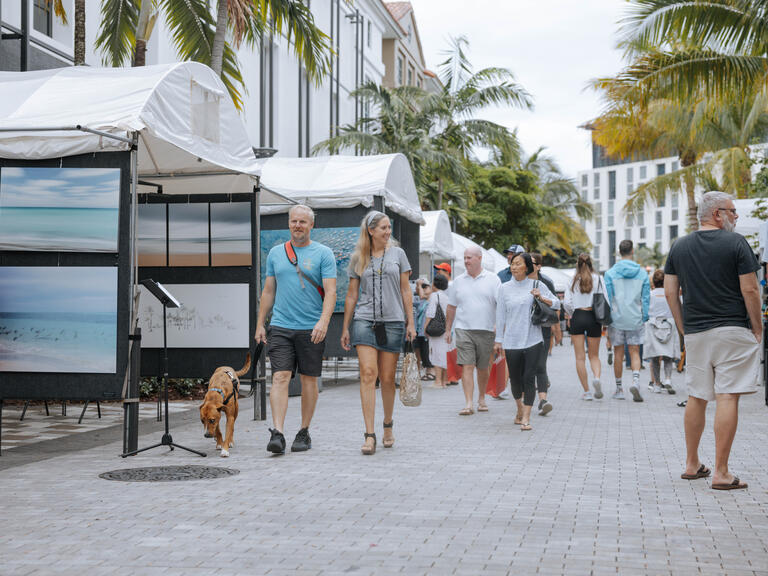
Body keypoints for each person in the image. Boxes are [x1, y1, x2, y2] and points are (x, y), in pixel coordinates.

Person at [665, 191, 761, 490]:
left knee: (697, 396)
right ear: (717, 213)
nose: (736, 217)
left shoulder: (679, 246)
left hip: (696, 331)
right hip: (732, 328)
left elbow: (671, 291)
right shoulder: (736, 243)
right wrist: (758, 328)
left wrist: (684, 329)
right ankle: (721, 472)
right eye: (732, 211)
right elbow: (751, 291)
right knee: (728, 395)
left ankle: (692, 464)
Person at [255, 205, 337, 455]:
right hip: (280, 325)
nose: (298, 225)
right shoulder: (276, 254)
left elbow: (331, 292)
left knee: (309, 379)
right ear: (288, 223)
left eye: (303, 221)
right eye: (294, 221)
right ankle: (278, 433)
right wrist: (260, 322)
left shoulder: (324, 253)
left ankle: (303, 430)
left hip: (311, 328)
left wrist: (323, 322)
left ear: (311, 225)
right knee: (279, 376)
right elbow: (269, 291)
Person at [341, 210, 416, 455]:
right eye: (383, 227)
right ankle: (369, 434)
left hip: (393, 321)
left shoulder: (399, 255)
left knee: (386, 378)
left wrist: (410, 323)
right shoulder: (358, 257)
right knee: (367, 373)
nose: (388, 231)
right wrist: (345, 326)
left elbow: (406, 291)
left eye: (388, 227)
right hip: (364, 320)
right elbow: (352, 294)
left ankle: (387, 424)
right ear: (371, 231)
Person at [494, 252, 559, 431]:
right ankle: (520, 409)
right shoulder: (504, 288)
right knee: (515, 380)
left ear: (527, 267)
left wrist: (541, 297)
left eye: (517, 263)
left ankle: (526, 418)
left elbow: (557, 304)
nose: (514, 267)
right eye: (512, 264)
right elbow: (500, 317)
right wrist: (498, 340)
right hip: (511, 341)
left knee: (529, 378)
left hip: (533, 339)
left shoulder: (537, 284)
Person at [445, 247, 501, 415]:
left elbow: (501, 306)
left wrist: (499, 326)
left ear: (479, 258)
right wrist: (448, 329)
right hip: (464, 329)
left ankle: (481, 398)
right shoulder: (458, 281)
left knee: (483, 367)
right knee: (467, 366)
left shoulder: (493, 279)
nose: (466, 261)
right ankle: (468, 403)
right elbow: (451, 307)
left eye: (469, 257)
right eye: (464, 258)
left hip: (486, 330)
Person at [604, 239, 650, 402]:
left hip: (616, 318)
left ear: (619, 252)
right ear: (632, 252)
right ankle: (636, 382)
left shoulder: (610, 273)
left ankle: (619, 389)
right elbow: (645, 298)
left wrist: (608, 317)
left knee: (618, 352)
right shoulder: (643, 273)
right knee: (635, 351)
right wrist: (644, 316)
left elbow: (608, 298)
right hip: (635, 317)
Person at [563, 253, 605, 400]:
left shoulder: (572, 281)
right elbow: (605, 299)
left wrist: (571, 314)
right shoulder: (599, 279)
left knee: (580, 358)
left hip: (578, 316)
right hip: (593, 317)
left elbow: (566, 303)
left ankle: (587, 392)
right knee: (594, 355)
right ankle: (597, 378)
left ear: (577, 264)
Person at [530, 252, 558, 415]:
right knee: (527, 369)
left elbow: (555, 305)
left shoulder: (546, 282)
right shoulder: (519, 282)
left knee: (540, 365)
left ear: (539, 266)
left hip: (543, 328)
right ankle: (525, 402)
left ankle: (542, 400)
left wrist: (556, 329)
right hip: (525, 331)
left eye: (532, 262)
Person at [643, 270, 679, 394]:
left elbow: (645, 310)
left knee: (655, 357)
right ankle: (668, 379)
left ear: (654, 281)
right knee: (668, 356)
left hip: (653, 326)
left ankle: (657, 384)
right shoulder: (670, 294)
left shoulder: (650, 295)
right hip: (668, 326)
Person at [424, 274, 450, 388]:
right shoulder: (446, 296)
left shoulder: (435, 296)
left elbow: (430, 313)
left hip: (436, 330)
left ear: (435, 284)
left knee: (436, 353)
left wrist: (425, 327)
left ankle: (438, 381)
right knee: (444, 354)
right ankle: (444, 381)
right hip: (445, 329)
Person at [413, 281, 434, 381]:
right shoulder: (418, 300)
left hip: (427, 331)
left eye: (426, 287)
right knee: (417, 352)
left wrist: (420, 285)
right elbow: (420, 296)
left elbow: (422, 295)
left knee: (427, 352)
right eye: (422, 288)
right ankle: (417, 373)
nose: (424, 289)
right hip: (417, 330)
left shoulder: (432, 299)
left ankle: (430, 371)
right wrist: (418, 286)